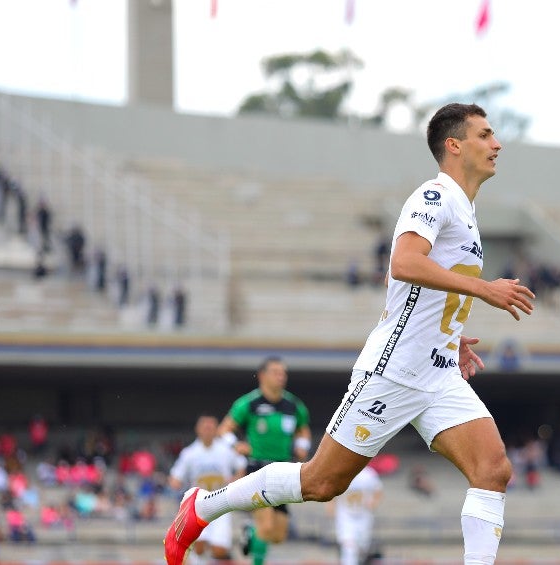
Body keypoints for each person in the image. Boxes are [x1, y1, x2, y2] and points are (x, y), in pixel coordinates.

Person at [164, 103, 535, 565]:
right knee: (321, 482)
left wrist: (449, 332)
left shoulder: (467, 210)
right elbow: (402, 264)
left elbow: (403, 285)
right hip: (395, 371)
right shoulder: (434, 197)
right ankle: (202, 507)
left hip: (438, 375)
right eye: (486, 134)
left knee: (493, 469)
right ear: (454, 145)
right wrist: (482, 290)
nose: (497, 144)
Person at [214, 357, 311, 565]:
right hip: (257, 468)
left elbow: (303, 430)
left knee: (278, 535)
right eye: (276, 372)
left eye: (283, 373)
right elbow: (224, 429)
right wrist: (235, 445)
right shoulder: (249, 403)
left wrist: (303, 445)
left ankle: (249, 531)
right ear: (262, 375)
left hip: (284, 469)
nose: (281, 376)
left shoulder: (293, 405)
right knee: (265, 527)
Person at [168, 415, 247, 564]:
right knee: (199, 544)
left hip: (222, 504)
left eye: (211, 428)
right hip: (198, 505)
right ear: (198, 430)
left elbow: (241, 467)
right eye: (205, 428)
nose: (208, 431)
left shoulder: (226, 450)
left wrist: (235, 481)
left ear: (216, 430)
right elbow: (175, 476)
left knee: (220, 549)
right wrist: (175, 483)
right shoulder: (190, 453)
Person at [328, 465, 383, 565]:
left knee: (362, 546)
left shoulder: (369, 474)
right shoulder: (341, 472)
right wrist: (331, 507)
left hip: (363, 515)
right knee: (348, 546)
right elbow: (331, 490)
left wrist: (373, 502)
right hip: (345, 515)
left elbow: (378, 489)